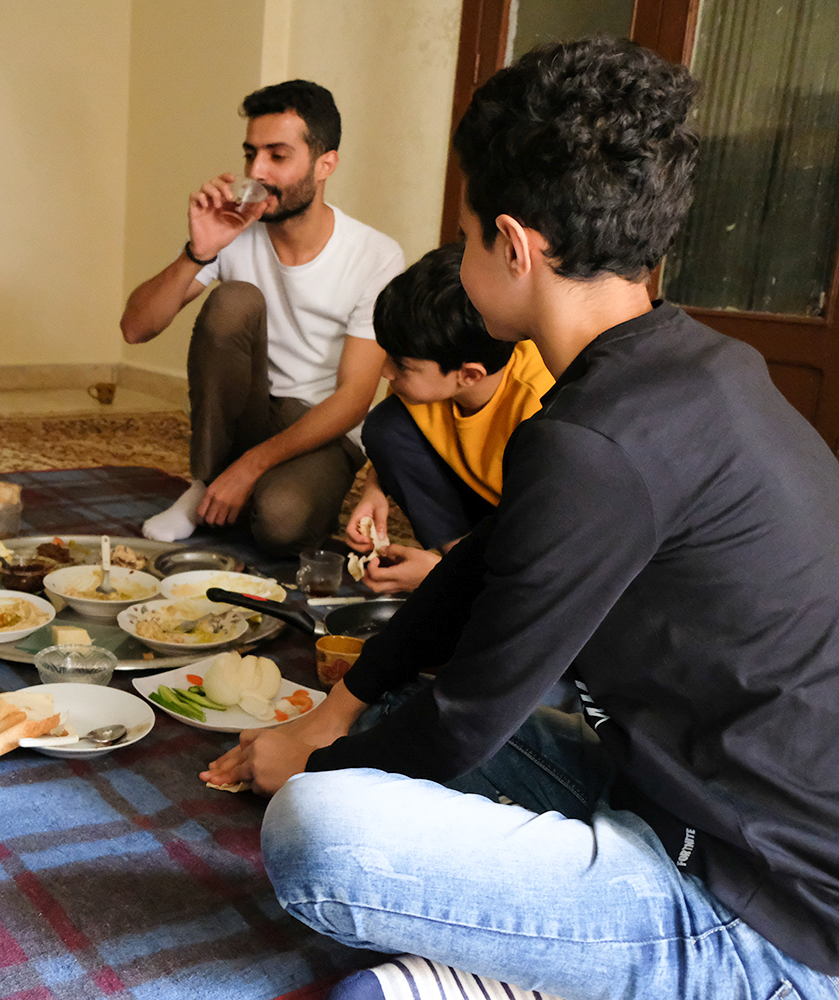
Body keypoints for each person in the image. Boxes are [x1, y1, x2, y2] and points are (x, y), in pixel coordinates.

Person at [204, 37, 839, 999]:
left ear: (513, 242)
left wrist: (320, 764)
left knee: (318, 827)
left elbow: (467, 720)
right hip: (667, 785)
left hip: (757, 910)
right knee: (391, 718)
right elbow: (475, 574)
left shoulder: (600, 441)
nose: (458, 262)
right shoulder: (685, 369)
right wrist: (338, 713)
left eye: (463, 239)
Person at [121, 80, 404, 554]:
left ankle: (265, 485)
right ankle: (204, 484)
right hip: (250, 411)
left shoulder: (375, 255)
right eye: (251, 154)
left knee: (278, 524)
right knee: (233, 300)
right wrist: (199, 250)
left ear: (325, 163)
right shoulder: (236, 231)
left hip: (322, 426)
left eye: (277, 155)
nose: (256, 171)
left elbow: (356, 398)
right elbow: (135, 328)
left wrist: (251, 466)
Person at [343, 242, 553, 593]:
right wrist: (374, 490)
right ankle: (457, 557)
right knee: (386, 426)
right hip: (474, 497)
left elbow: (549, 554)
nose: (385, 371)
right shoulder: (428, 372)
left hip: (524, 523)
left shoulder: (540, 409)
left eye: (402, 365)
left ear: (468, 375)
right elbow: (399, 434)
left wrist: (443, 577)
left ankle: (463, 575)